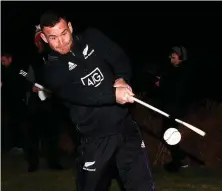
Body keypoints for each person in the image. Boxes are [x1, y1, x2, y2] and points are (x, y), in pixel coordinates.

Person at [39, 11, 154, 191]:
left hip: (126, 128)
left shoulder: (92, 37)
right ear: (45, 39)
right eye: (53, 38)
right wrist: (113, 94)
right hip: (95, 139)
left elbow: (119, 58)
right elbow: (82, 93)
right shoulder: (52, 71)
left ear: (69, 27)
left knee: (142, 186)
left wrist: (122, 78)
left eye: (64, 34)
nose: (61, 42)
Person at [22, 25, 64, 172]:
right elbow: (23, 76)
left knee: (52, 134)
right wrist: (31, 87)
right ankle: (33, 164)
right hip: (34, 103)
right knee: (32, 134)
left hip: (51, 102)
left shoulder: (55, 57)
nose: (40, 42)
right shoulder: (31, 59)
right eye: (38, 39)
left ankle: (54, 162)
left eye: (42, 38)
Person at [155, 45, 193, 172]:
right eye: (172, 54)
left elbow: (177, 90)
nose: (171, 56)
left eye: (174, 54)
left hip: (174, 109)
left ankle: (180, 159)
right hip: (170, 108)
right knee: (168, 135)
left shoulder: (183, 71)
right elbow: (168, 87)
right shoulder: (173, 70)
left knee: (169, 135)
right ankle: (179, 160)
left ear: (181, 57)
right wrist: (161, 82)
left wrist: (163, 83)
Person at [1, 52, 27, 153]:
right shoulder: (4, 71)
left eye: (4, 61)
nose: (2, 63)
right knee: (12, 124)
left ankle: (22, 145)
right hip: (9, 102)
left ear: (10, 59)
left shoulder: (18, 69)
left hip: (20, 101)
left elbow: (27, 77)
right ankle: (15, 145)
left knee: (22, 124)